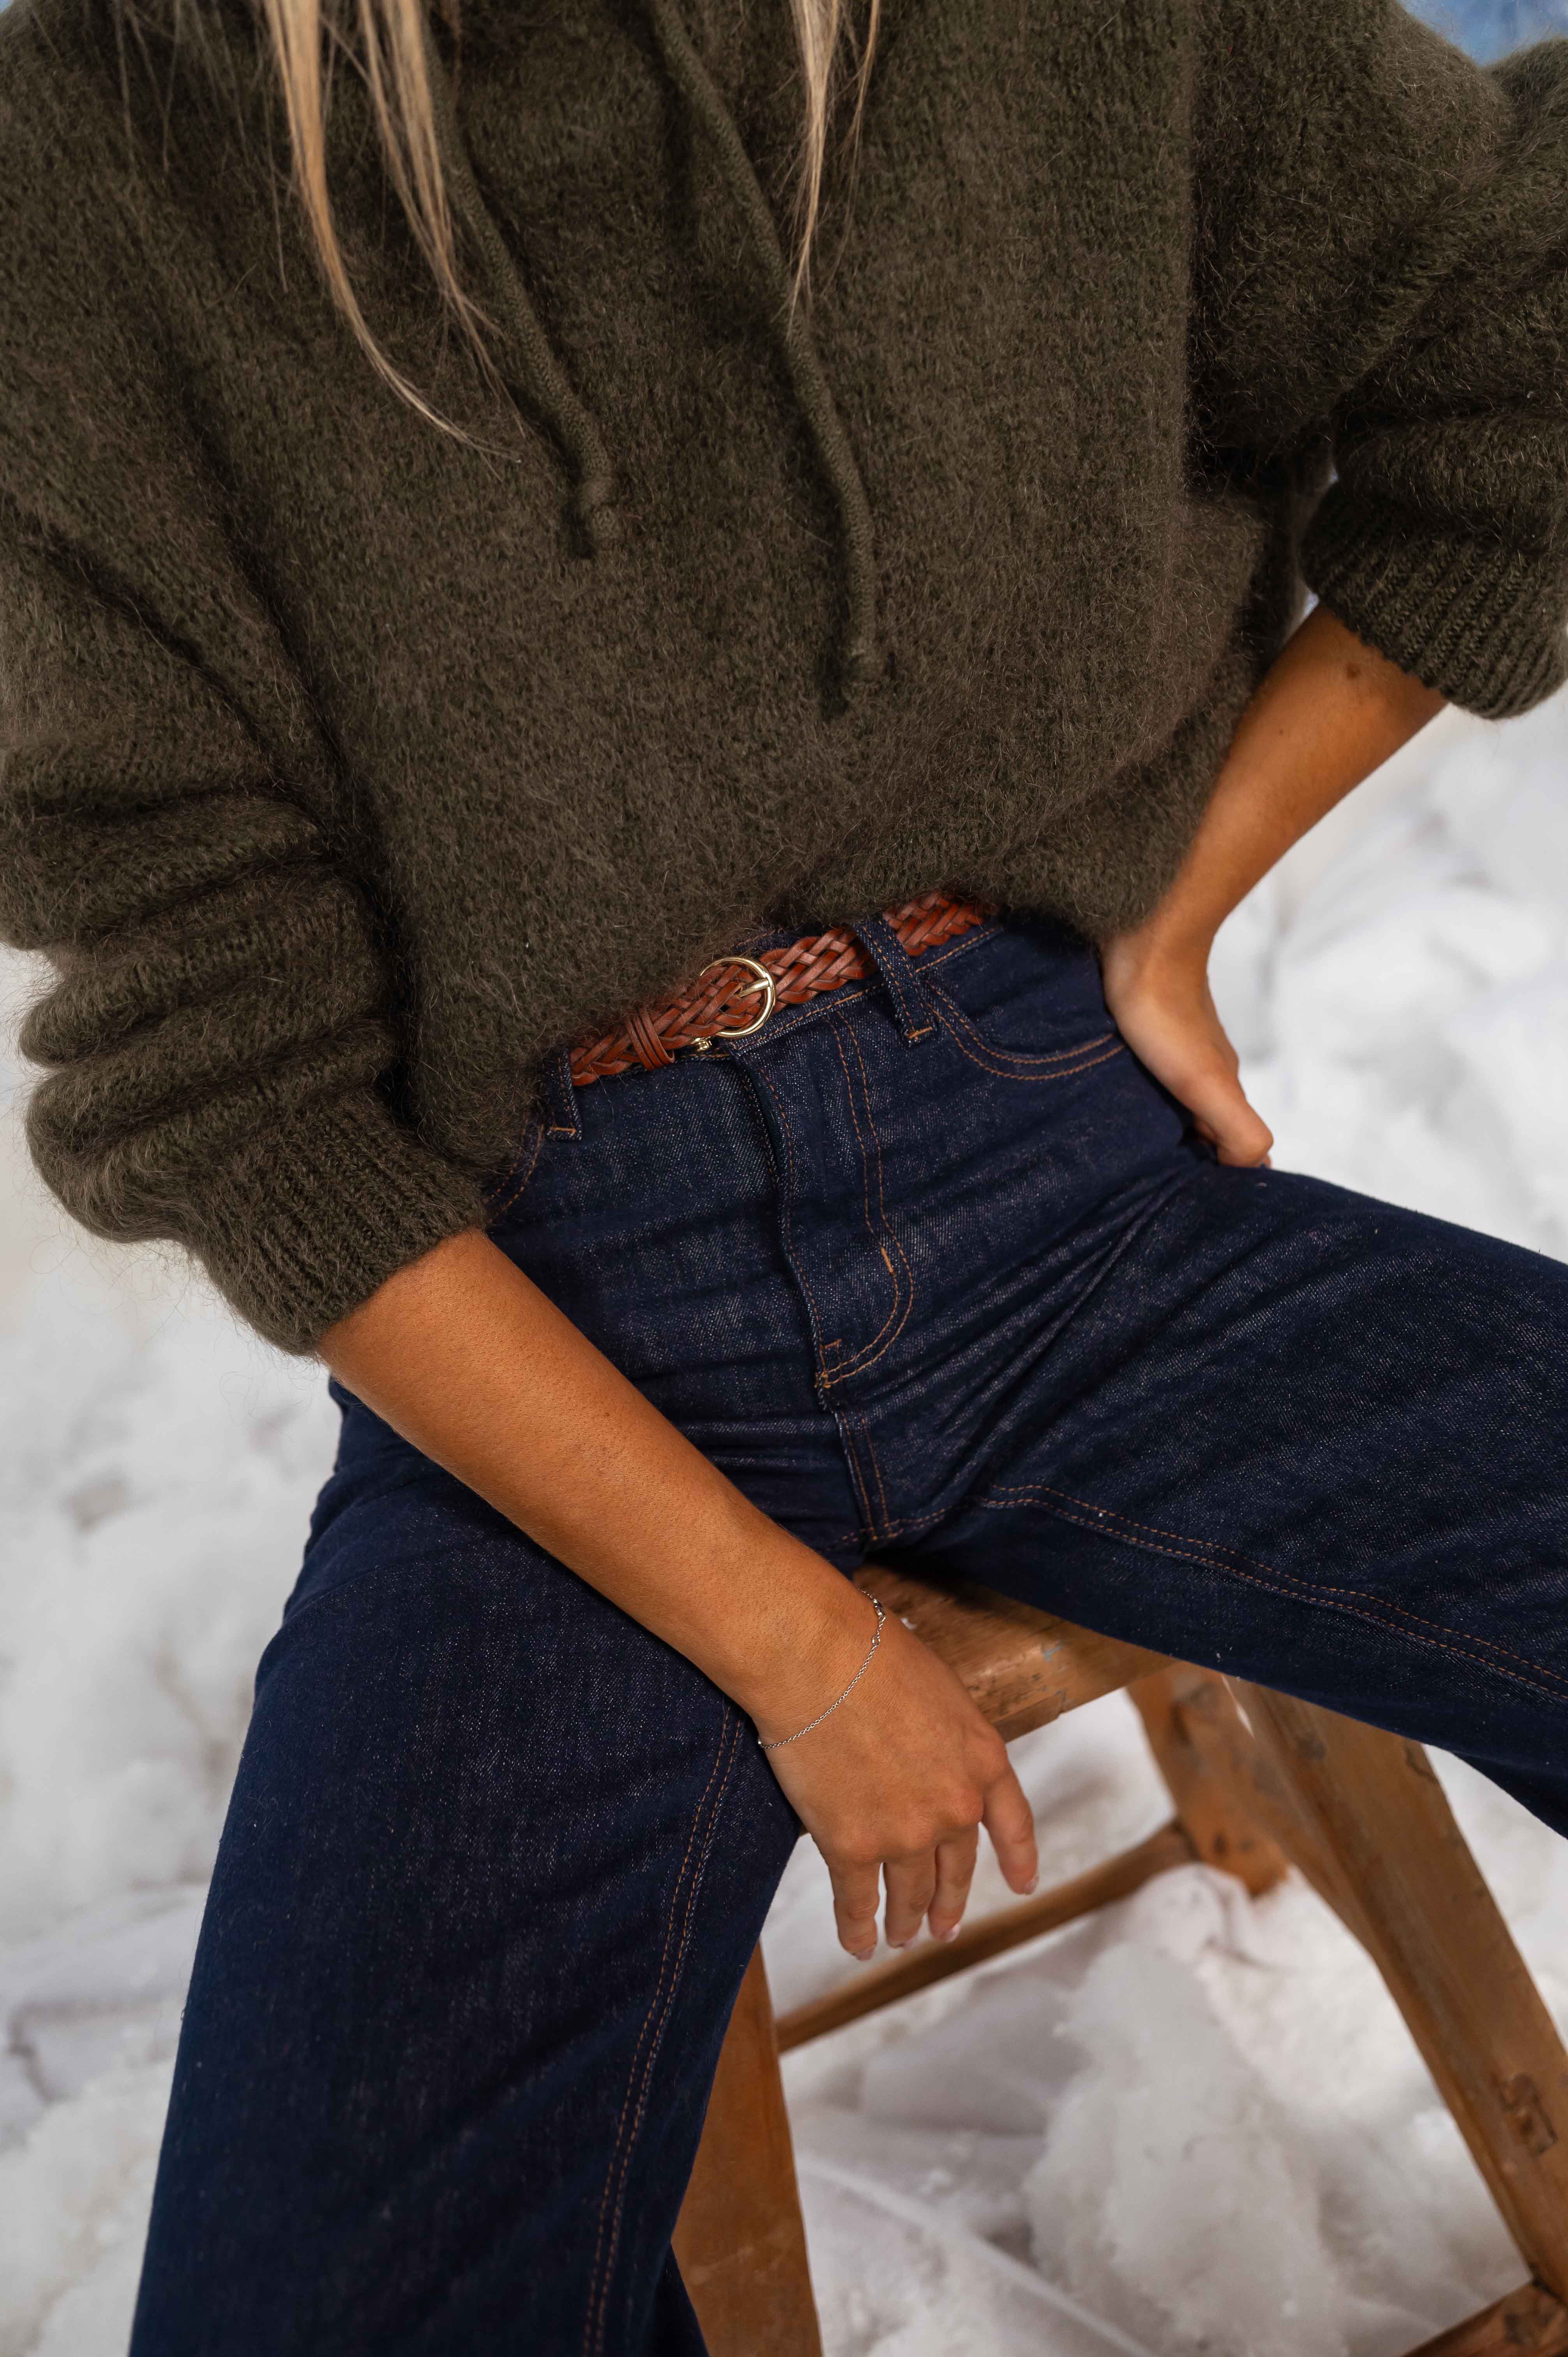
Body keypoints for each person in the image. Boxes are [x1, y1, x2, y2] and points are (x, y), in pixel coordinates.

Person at [1, 0, 1565, 2345]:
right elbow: (233, 1082)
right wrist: (797, 1654)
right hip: (548, 1327)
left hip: (1063, 1175)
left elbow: (1514, 340)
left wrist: (1183, 884)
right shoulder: (86, 154)